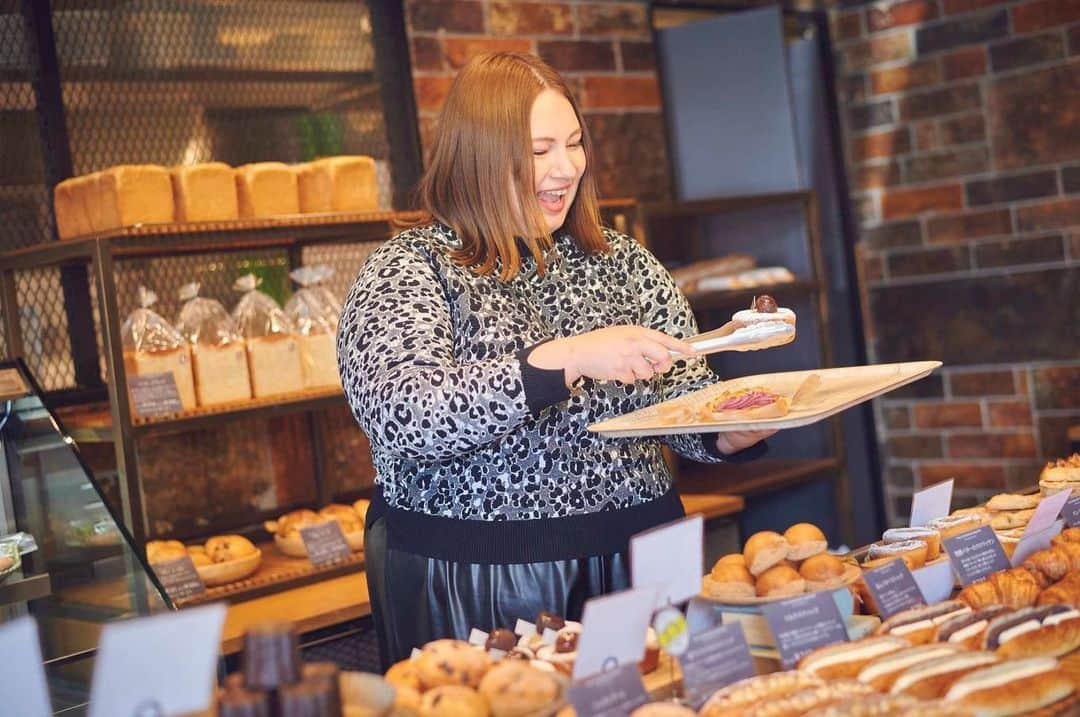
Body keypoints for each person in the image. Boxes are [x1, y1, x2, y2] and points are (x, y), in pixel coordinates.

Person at [338, 52, 774, 668]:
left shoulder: (622, 261)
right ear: (480, 154)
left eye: (573, 144)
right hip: (484, 579)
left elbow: (682, 396)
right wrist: (564, 359)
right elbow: (402, 413)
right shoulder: (411, 268)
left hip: (644, 559)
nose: (566, 167)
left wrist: (727, 433)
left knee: (664, 703)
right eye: (540, 150)